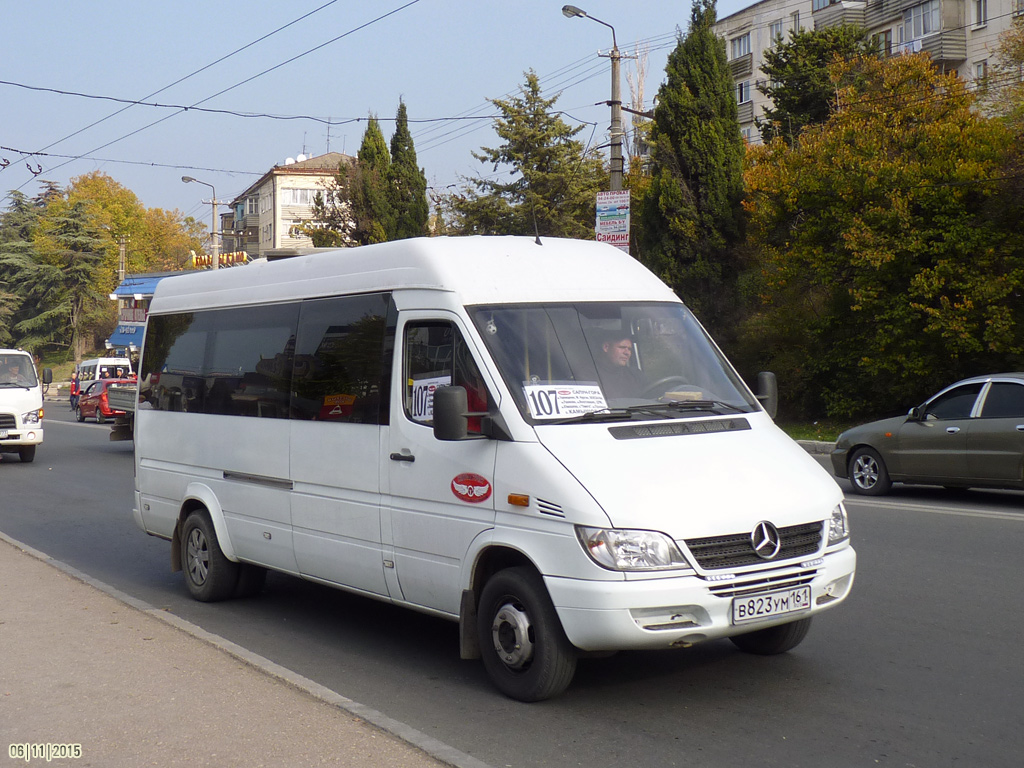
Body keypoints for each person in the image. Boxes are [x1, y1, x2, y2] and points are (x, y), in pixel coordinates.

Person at [595, 331, 646, 399]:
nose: (627, 353)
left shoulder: (635, 374)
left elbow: (655, 393)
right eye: (622, 347)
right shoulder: (587, 375)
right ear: (606, 347)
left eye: (629, 349)